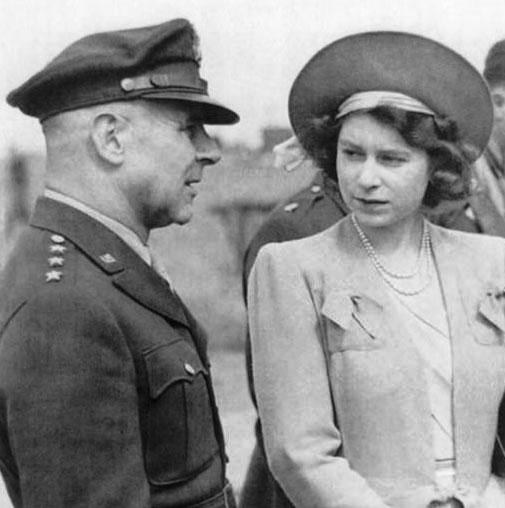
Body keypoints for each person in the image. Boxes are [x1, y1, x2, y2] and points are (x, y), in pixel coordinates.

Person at [248, 32, 505, 508]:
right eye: (352, 154)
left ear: (435, 167)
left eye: (391, 159)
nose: (366, 178)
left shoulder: (491, 264)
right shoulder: (292, 269)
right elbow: (298, 453)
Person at [0, 19, 239, 508]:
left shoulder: (107, 269)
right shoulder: (63, 306)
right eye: (188, 128)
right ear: (111, 139)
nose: (209, 151)